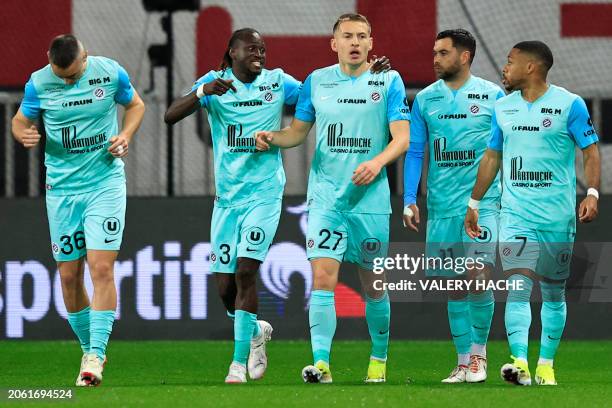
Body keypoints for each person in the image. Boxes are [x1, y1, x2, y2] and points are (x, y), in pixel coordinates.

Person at [165, 27, 393, 383]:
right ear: (232, 52)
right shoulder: (215, 83)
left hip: (266, 194)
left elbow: (321, 96)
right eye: (252, 48)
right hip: (226, 199)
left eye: (263, 48)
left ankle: (238, 365)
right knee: (225, 288)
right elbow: (170, 115)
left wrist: (370, 76)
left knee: (245, 272)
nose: (259, 53)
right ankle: (256, 331)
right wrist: (201, 92)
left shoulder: (278, 82)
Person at [255, 13, 409, 384]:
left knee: (374, 283)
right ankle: (321, 364)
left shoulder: (387, 80)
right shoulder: (316, 82)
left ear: (371, 43)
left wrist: (377, 162)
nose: (354, 42)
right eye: (347, 36)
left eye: (361, 36)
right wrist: (272, 137)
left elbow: (402, 138)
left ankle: (379, 358)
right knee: (323, 278)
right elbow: (297, 133)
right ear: (333, 43)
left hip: (369, 199)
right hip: (326, 197)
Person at [11, 34, 145, 386]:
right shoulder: (39, 82)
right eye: (62, 76)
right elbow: (19, 121)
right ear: (49, 60)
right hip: (62, 191)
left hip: (105, 184)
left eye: (72, 75)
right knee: (69, 276)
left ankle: (96, 355)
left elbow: (136, 106)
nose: (67, 81)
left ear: (85, 57)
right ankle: (89, 349)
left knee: (101, 268)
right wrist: (23, 133)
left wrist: (126, 134)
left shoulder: (109, 73)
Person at [464, 40, 600, 386]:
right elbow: (492, 156)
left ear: (531, 67)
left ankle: (546, 365)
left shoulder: (570, 105)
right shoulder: (503, 108)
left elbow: (590, 151)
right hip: (516, 213)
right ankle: (519, 363)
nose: (504, 69)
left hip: (557, 217)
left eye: (510, 63)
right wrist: (475, 203)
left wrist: (593, 193)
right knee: (518, 285)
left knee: (553, 292)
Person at [403, 29, 504, 383]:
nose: (434, 59)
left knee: (478, 276)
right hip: (442, 205)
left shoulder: (493, 95)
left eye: (443, 53)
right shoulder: (425, 99)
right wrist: (409, 199)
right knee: (454, 286)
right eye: (434, 52)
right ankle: (462, 362)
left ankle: (479, 356)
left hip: (482, 204)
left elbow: (505, 148)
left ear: (464, 57)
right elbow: (416, 151)